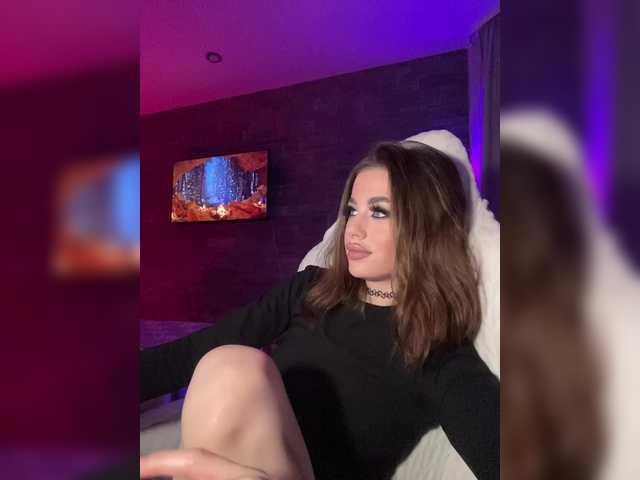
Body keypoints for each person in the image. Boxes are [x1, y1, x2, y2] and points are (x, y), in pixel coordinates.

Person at [140, 140, 500, 480]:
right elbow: (192, 352)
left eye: (378, 212)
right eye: (351, 210)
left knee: (234, 368)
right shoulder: (310, 289)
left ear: (425, 227)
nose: (353, 229)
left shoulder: (437, 354)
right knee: (227, 363)